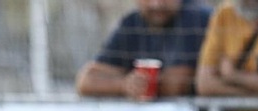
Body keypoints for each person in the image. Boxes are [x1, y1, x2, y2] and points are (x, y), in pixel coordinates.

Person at [76, 0, 213, 100]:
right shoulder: (131, 22)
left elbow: (177, 85)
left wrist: (142, 83)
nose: (156, 4)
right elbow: (85, 82)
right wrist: (125, 85)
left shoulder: (196, 16)